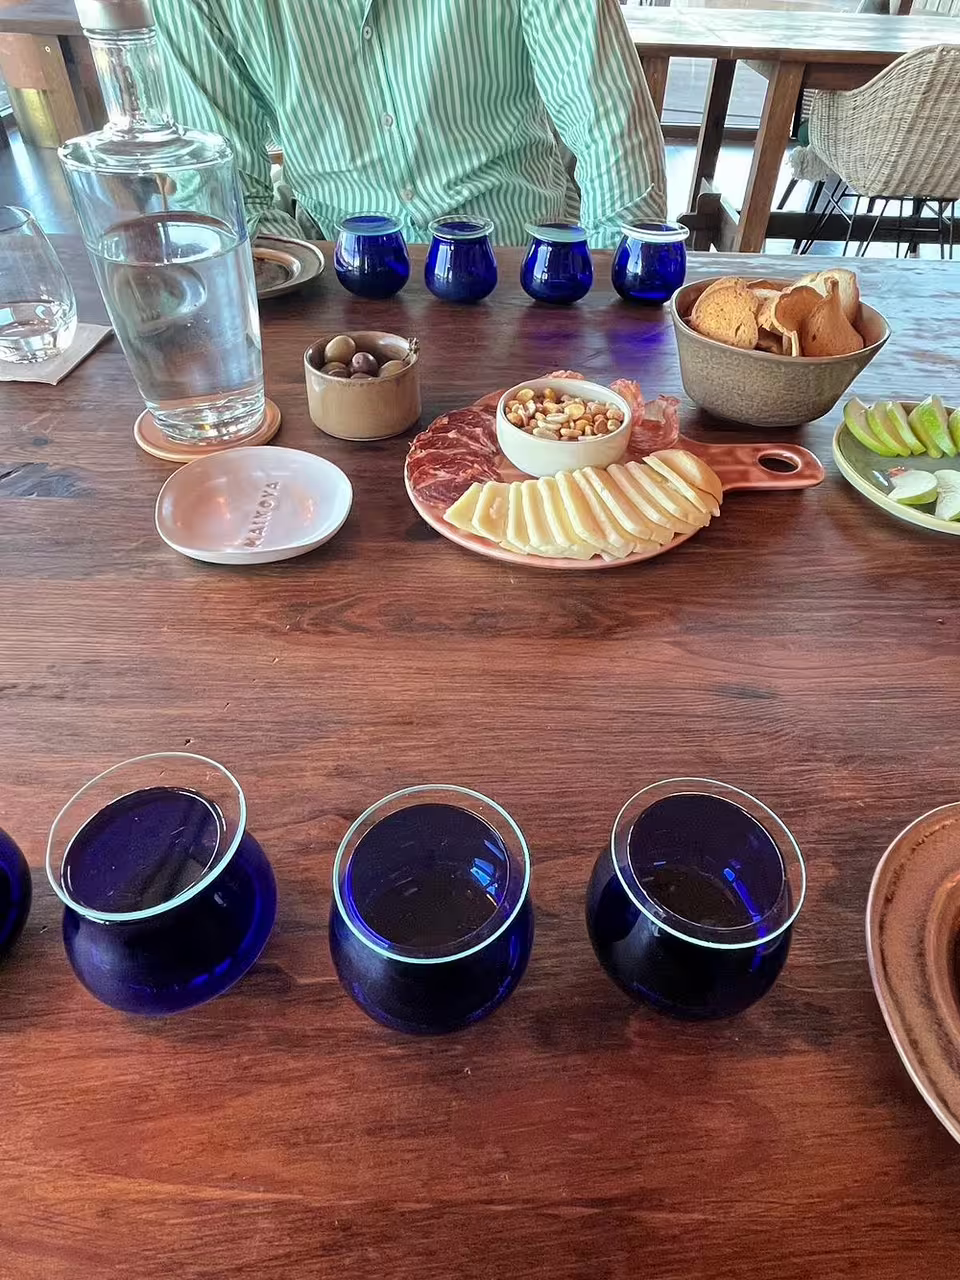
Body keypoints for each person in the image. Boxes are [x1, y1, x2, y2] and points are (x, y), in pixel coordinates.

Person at [154, 0, 666, 248]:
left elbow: (612, 130)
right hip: (341, 268)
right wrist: (298, 286)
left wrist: (610, 307)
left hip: (522, 258)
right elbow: (221, 196)